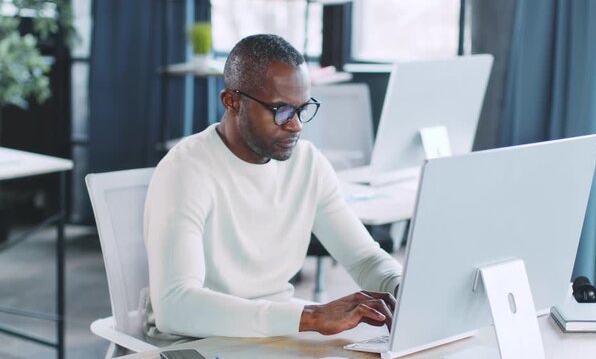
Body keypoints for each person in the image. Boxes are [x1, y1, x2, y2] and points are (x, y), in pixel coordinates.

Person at [144, 34, 402, 339]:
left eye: (302, 109)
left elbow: (365, 260)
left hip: (276, 337)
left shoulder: (308, 165)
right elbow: (176, 307)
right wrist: (310, 316)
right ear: (232, 101)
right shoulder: (186, 171)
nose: (296, 125)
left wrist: (404, 288)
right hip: (198, 341)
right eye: (281, 111)